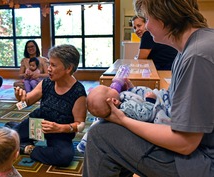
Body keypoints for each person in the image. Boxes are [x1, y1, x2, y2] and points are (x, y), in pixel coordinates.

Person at [83, 0, 214, 176]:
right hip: (198, 149)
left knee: (100, 134)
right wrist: (135, 92)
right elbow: (177, 102)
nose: (147, 26)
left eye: (147, 18)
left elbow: (185, 143)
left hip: (202, 162)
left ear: (163, 16)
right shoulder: (193, 47)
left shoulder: (196, 56)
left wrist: (123, 119)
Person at [10, 44, 87, 167]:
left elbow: (81, 125)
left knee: (65, 156)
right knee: (8, 140)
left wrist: (60, 128)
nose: (49, 69)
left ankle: (28, 149)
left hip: (59, 133)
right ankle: (16, 130)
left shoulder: (78, 92)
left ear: (68, 68)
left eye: (53, 65)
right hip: (38, 124)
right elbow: (26, 102)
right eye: (49, 64)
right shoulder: (47, 82)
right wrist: (20, 100)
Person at [77, 84, 171, 153]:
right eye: (109, 89)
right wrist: (151, 100)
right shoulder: (126, 108)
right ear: (114, 101)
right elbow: (145, 114)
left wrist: (130, 89)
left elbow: (135, 100)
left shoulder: (120, 104)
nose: (111, 87)